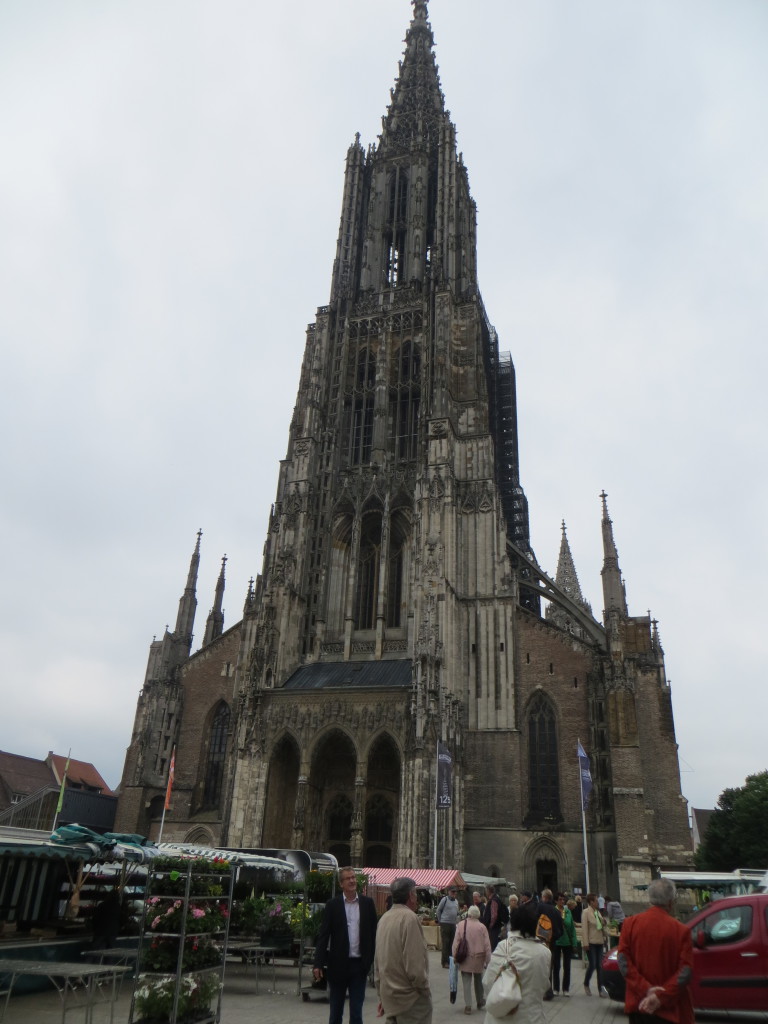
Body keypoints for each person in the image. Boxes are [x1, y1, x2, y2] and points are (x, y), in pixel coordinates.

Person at [617, 878, 693, 1024]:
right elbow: (685, 972)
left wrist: (646, 989)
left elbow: (623, 962)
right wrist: (660, 995)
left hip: (640, 1004)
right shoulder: (681, 931)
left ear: (649, 899)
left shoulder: (630, 924)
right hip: (671, 1008)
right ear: (671, 902)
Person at [314, 866, 378, 1024]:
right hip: (338, 965)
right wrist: (318, 964)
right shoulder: (333, 905)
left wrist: (369, 960)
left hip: (359, 965)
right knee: (336, 1012)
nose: (352, 880)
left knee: (356, 1012)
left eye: (353, 878)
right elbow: (324, 935)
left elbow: (374, 933)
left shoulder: (367, 904)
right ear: (341, 883)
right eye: (348, 878)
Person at [375, 877, 432, 1024]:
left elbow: (377, 962)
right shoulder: (410, 918)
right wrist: (424, 989)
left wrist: (382, 995)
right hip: (410, 1000)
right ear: (410, 896)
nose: (417, 899)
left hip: (390, 998)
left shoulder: (384, 919)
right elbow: (415, 966)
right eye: (415, 894)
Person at [482, 902, 551, 1024]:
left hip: (504, 1019)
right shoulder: (545, 952)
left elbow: (488, 981)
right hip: (533, 1017)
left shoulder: (505, 947)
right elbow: (544, 985)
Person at [452, 905, 491, 1015]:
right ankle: (480, 1001)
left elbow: (456, 943)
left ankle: (468, 1006)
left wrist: (455, 956)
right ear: (478, 914)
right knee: (478, 980)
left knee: (466, 981)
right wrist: (488, 960)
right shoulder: (482, 927)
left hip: (465, 957)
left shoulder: (460, 925)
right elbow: (487, 945)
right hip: (479, 957)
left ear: (469, 913)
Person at [535, 888, 564, 1000]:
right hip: (553, 943)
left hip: (541, 941)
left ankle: (542, 991)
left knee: (540, 965)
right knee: (549, 967)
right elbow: (561, 930)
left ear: (545, 898)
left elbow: (535, 921)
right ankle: (549, 990)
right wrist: (554, 937)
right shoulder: (556, 911)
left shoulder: (540, 907)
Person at [582, 892, 609, 997]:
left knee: (599, 966)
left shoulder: (598, 912)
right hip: (591, 942)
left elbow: (601, 926)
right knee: (593, 964)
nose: (598, 902)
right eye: (596, 900)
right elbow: (584, 928)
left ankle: (601, 989)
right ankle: (586, 983)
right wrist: (585, 943)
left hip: (599, 941)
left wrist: (604, 923)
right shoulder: (586, 912)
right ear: (591, 902)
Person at [551, 893, 577, 997]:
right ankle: (556, 988)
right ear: (556, 901)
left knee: (567, 966)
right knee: (556, 966)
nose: (562, 901)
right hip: (556, 941)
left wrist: (574, 943)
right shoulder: (553, 911)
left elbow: (572, 928)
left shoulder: (568, 911)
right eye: (560, 900)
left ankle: (566, 988)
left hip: (567, 942)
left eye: (563, 900)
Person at [435, 885, 459, 968]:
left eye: (455, 892)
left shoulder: (456, 901)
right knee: (446, 943)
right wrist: (440, 921)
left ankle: (450, 961)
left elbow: (456, 912)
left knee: (452, 943)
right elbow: (438, 910)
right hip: (445, 923)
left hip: (453, 924)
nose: (454, 893)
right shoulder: (444, 899)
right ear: (448, 892)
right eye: (452, 892)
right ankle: (444, 962)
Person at [481, 884, 508, 951]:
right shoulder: (496, 899)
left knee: (493, 946)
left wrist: (490, 926)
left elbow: (494, 915)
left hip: (494, 928)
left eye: (486, 891)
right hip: (496, 927)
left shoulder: (494, 900)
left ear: (488, 891)